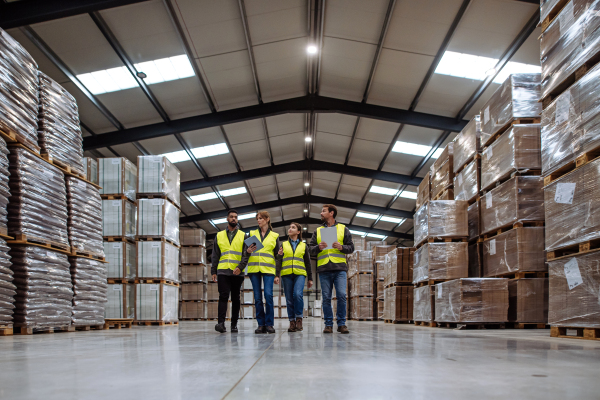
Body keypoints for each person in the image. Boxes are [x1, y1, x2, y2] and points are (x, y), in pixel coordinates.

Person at [309, 204, 354, 334]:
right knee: (326, 297)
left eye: (323, 211)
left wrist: (342, 247)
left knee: (341, 295)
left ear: (332, 213)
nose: (321, 213)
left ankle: (341, 324)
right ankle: (328, 324)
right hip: (324, 269)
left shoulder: (343, 229)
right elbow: (310, 249)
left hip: (339, 268)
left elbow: (351, 247)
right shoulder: (317, 231)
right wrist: (318, 247)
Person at [239, 211, 282, 334]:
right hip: (254, 269)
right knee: (257, 298)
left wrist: (277, 273)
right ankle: (261, 324)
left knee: (268, 296)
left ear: (267, 219)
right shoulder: (251, 234)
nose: (259, 220)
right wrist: (247, 251)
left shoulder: (274, 236)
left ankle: (269, 324)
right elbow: (245, 253)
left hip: (268, 269)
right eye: (257, 218)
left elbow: (278, 257)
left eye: (261, 218)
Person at [211, 209, 246, 333]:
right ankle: (221, 323)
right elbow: (215, 254)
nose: (234, 219)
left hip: (237, 272)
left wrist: (240, 267)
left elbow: (246, 254)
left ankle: (234, 325)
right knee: (223, 296)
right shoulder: (219, 235)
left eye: (236, 217)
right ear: (227, 219)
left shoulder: (243, 235)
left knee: (236, 298)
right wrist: (213, 271)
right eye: (231, 217)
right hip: (223, 270)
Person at [278, 222, 313, 332]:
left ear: (298, 232)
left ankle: (299, 318)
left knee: (298, 295)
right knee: (289, 299)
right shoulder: (283, 245)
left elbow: (308, 262)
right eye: (289, 227)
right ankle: (292, 321)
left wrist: (310, 278)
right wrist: (276, 275)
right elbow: (279, 260)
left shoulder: (304, 246)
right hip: (286, 274)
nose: (290, 229)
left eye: (293, 228)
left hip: (300, 274)